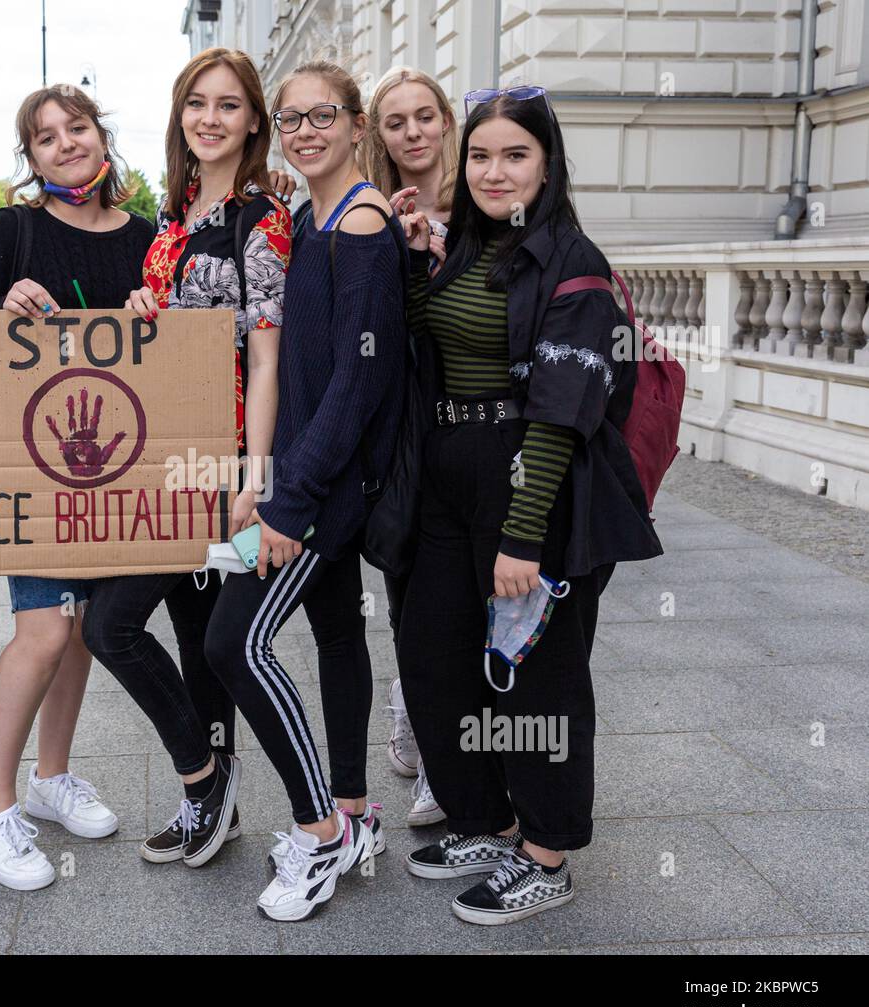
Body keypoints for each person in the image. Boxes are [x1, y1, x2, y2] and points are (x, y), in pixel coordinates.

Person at [395, 85, 662, 925]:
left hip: (531, 482)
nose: (494, 170)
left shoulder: (572, 261)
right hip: (447, 473)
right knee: (434, 657)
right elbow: (425, 335)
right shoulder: (466, 247)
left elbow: (558, 411)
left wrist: (521, 537)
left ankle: (545, 852)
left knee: (537, 678)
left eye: (515, 155)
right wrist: (412, 262)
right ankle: (489, 819)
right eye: (480, 154)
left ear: (547, 166)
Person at [202, 60, 406, 922]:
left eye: (324, 116)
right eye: (291, 119)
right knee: (333, 632)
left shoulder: (361, 225)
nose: (307, 130)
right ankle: (354, 812)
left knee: (233, 644)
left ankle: (318, 833)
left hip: (322, 491)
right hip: (309, 479)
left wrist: (287, 502)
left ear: (357, 126)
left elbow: (356, 388)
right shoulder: (316, 216)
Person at [84, 47, 291, 869]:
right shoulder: (174, 215)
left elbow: (268, 358)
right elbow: (173, 329)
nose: (210, 117)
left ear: (252, 121)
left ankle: (203, 781)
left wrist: (257, 473)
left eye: (229, 105)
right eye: (197, 102)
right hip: (165, 449)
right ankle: (216, 797)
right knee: (195, 629)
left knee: (111, 623)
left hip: (223, 458)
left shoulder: (260, 216)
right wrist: (145, 305)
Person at [0, 85, 151, 891]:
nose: (65, 144)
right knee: (41, 630)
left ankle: (51, 777)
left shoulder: (146, 236)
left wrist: (154, 308)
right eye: (45, 138)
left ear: (101, 135)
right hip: (30, 464)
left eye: (77, 128)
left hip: (113, 465)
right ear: (29, 158)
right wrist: (3, 303)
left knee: (77, 631)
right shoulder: (16, 229)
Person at [362, 67, 460, 827]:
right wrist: (393, 249)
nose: (414, 132)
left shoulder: (489, 199)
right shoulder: (371, 212)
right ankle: (418, 722)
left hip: (477, 423)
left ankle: (450, 756)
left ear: (446, 121)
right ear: (380, 135)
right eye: (397, 122)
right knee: (405, 582)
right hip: (402, 426)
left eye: (425, 116)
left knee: (466, 601)